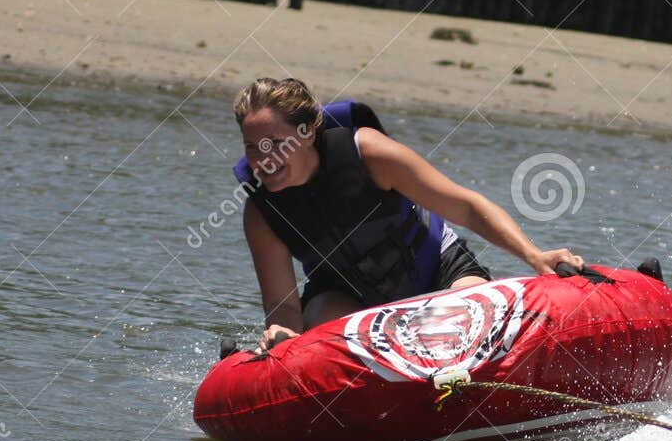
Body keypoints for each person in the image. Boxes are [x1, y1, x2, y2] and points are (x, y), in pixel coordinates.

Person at [232, 77, 584, 351]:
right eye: (252, 146)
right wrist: (283, 335)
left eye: (277, 143)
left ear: (307, 133)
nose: (264, 157)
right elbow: (283, 306)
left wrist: (533, 255)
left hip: (439, 272)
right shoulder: (261, 213)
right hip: (350, 299)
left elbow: (466, 207)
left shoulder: (369, 153)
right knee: (318, 325)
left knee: (473, 319)